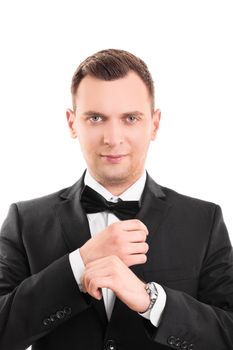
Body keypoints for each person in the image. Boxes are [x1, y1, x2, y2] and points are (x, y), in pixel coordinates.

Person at [0, 49, 233, 350]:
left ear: (155, 124)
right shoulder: (25, 220)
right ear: (72, 123)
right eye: (96, 118)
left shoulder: (203, 220)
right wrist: (78, 265)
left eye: (131, 118)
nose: (113, 137)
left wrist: (152, 301)